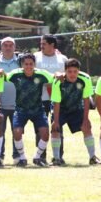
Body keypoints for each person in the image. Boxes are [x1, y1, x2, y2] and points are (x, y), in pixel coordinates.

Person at [6, 53, 53, 167]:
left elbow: (53, 79)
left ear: (34, 64)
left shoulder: (42, 75)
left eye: (31, 64)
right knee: (16, 132)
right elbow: (2, 77)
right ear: (22, 64)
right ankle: (22, 158)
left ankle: (37, 157)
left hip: (38, 109)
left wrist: (58, 74)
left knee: (45, 134)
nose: (28, 66)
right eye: (26, 64)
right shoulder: (14, 74)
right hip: (21, 109)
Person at [50, 58, 100, 165]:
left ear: (79, 71)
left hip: (77, 108)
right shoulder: (58, 81)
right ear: (65, 71)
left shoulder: (85, 78)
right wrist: (56, 121)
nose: (72, 74)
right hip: (61, 109)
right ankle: (56, 159)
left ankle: (93, 157)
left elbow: (86, 99)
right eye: (69, 72)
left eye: (75, 71)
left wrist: (86, 119)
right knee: (55, 129)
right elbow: (56, 103)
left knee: (86, 127)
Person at [34, 34, 68, 164]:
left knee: (57, 126)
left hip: (58, 99)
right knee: (40, 127)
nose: (41, 46)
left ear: (52, 45)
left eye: (44, 44)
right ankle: (40, 156)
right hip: (40, 98)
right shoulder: (36, 57)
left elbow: (68, 74)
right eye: (41, 44)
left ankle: (58, 156)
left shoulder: (62, 58)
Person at [0, 36, 20, 163]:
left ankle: (17, 156)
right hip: (1, 103)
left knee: (17, 131)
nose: (8, 47)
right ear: (1, 47)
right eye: (5, 45)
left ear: (15, 47)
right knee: (0, 131)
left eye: (11, 45)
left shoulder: (21, 61)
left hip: (18, 103)